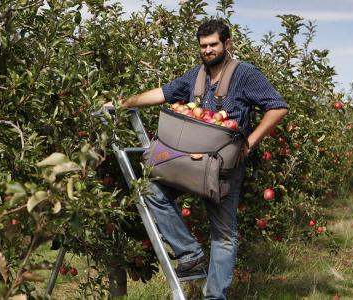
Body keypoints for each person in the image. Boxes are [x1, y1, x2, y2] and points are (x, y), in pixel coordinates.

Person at [105, 19, 288, 299]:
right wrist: (123, 103)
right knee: (151, 189)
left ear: (227, 44)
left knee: (223, 234)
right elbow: (162, 93)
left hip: (223, 169)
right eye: (203, 46)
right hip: (188, 163)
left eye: (213, 44)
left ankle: (214, 296)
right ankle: (190, 253)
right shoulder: (196, 76)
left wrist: (250, 142)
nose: (208, 50)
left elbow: (277, 107)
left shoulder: (246, 74)